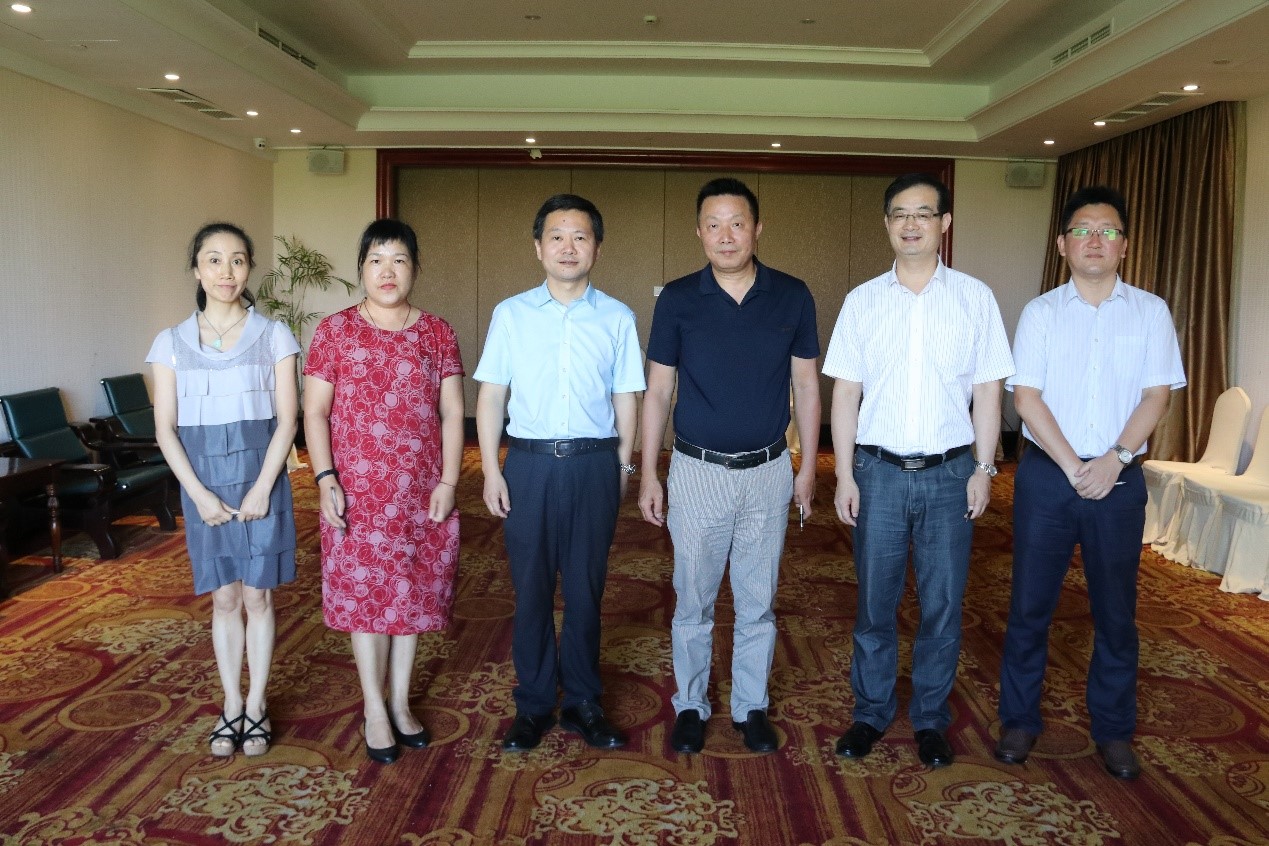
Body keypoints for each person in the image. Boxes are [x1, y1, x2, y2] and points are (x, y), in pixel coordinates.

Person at [823, 172, 1013, 768]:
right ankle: (870, 713)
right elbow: (845, 393)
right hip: (877, 474)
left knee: (943, 605)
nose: (911, 224)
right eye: (900, 214)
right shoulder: (862, 301)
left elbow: (988, 391)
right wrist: (845, 474)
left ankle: (930, 718)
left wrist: (984, 468)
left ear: (944, 223)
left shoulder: (975, 298)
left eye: (924, 213)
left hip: (949, 475)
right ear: (887, 224)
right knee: (874, 606)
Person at [995, 186, 1184, 780]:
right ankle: (1019, 720)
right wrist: (1074, 465)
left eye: (1107, 231)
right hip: (1049, 478)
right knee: (1030, 607)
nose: (1094, 240)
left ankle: (1113, 730)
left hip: (1119, 480)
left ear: (1124, 245)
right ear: (1062, 244)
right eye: (1082, 230)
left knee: (1116, 613)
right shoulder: (1041, 313)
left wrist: (1115, 459)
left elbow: (1157, 395)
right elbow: (1026, 397)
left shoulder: (1150, 311)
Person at [640, 177, 821, 755]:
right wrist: (649, 472)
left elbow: (807, 386)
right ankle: (691, 704)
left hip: (769, 470)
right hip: (697, 470)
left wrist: (808, 468)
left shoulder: (792, 295)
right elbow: (658, 390)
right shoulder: (677, 298)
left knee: (757, 599)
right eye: (714, 225)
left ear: (757, 229)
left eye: (737, 223)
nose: (726, 235)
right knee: (692, 597)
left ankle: (750, 706)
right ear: (699, 232)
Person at [474, 194, 645, 752]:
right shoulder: (511, 314)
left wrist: (624, 463)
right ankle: (533, 703)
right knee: (531, 590)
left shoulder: (617, 316)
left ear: (597, 247)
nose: (568, 247)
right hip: (528, 464)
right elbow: (492, 394)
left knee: (586, 589)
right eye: (557, 236)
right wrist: (491, 469)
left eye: (580, 237)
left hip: (594, 463)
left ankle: (583, 702)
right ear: (538, 247)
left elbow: (626, 395)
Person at [303, 219, 465, 765]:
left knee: (411, 593)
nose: (387, 271)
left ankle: (399, 700)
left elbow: (451, 413)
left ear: (415, 268)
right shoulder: (334, 331)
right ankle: (374, 707)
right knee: (366, 598)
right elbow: (315, 412)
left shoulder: (437, 333)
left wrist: (449, 480)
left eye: (399, 259)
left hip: (420, 491)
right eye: (376, 260)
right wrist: (325, 477)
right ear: (361, 269)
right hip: (356, 491)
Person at [149, 222, 299, 758]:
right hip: (203, 485)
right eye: (213, 260)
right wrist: (198, 495)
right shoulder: (170, 344)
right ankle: (231, 703)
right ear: (196, 270)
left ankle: (257, 703)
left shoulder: (275, 336)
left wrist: (262, 488)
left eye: (237, 260)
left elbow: (287, 419)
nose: (226, 271)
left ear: (249, 268)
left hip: (262, 481)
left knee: (258, 595)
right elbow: (166, 430)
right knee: (225, 596)